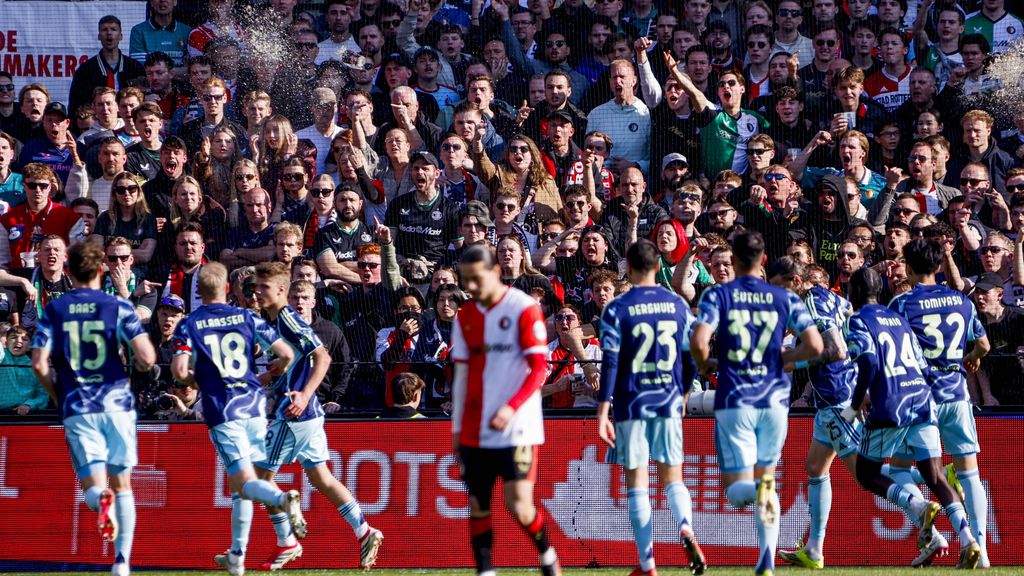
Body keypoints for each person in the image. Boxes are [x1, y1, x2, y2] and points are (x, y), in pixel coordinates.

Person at [690, 230, 823, 576]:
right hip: (776, 401)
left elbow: (699, 341)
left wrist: (706, 365)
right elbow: (816, 347)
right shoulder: (785, 298)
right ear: (764, 260)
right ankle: (766, 559)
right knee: (767, 479)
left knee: (736, 492)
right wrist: (785, 358)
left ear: (732, 260)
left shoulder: (719, 295)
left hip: (736, 399)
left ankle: (759, 503)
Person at [30, 241, 157, 576]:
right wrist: (142, 368)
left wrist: (56, 394)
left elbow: (40, 363)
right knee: (124, 483)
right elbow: (146, 357)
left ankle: (101, 499)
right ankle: (122, 563)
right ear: (101, 269)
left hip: (77, 404)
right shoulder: (118, 306)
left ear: (68, 272)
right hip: (116, 402)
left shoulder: (55, 310)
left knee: (94, 486)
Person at [169, 262, 305, 576]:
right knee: (240, 487)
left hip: (222, 408)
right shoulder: (246, 317)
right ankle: (238, 556)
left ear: (198, 292)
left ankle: (284, 499)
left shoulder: (189, 323)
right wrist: (272, 372)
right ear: (227, 289)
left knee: (246, 482)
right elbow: (285, 353)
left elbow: (178, 371)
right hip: (254, 405)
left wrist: (196, 379)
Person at [842, 266, 982, 570]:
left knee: (866, 473)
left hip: (891, 403)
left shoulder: (857, 320)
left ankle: (917, 506)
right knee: (935, 475)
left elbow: (866, 362)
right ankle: (969, 540)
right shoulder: (897, 317)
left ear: (852, 293)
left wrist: (855, 405)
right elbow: (919, 362)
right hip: (922, 399)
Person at [249, 262, 384, 571]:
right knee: (322, 477)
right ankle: (365, 531)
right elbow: (289, 362)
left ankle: (287, 542)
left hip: (296, 413)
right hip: (308, 415)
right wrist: (265, 378)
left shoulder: (287, 320)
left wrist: (305, 394)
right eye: (255, 286)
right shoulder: (273, 321)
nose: (257, 292)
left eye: (263, 287)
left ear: (282, 290)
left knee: (259, 480)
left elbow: (322, 356)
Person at [596, 239, 706, 576]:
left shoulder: (616, 308)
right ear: (658, 266)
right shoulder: (677, 305)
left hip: (633, 404)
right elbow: (691, 357)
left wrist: (603, 410)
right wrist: (685, 392)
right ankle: (685, 527)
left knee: (637, 483)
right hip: (669, 400)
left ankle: (647, 564)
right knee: (673, 478)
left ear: (627, 268)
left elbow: (611, 361)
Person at [451, 244, 562, 576]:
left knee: (518, 506)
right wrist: (458, 429)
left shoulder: (523, 308)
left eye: (477, 279)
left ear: (496, 272)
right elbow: (463, 377)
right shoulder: (466, 315)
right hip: (476, 426)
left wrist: (511, 408)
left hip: (519, 426)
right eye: (465, 280)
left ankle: (547, 554)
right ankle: (485, 571)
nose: (471, 287)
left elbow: (538, 367)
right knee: (477, 504)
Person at [887, 238, 992, 567]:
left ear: (908, 265)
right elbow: (984, 345)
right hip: (957, 394)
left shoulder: (902, 304)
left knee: (897, 471)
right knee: (969, 474)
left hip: (918, 398)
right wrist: (971, 357)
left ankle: (930, 529)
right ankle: (981, 550)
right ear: (937, 267)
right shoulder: (962, 301)